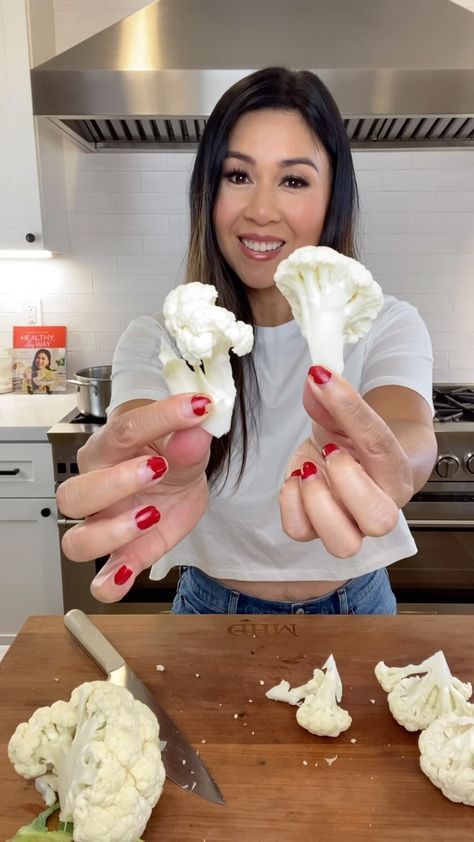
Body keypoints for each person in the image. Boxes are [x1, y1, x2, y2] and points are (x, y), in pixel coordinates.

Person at [57, 67, 437, 615]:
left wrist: (390, 462)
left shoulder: (387, 324)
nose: (261, 209)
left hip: (359, 608)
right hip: (208, 611)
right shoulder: (160, 338)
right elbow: (140, 428)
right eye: (238, 176)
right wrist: (147, 468)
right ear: (208, 194)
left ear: (334, 197)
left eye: (294, 180)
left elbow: (408, 431)